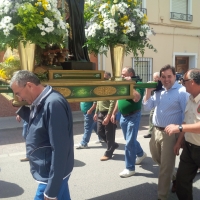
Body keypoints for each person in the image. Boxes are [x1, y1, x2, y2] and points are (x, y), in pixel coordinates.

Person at [10, 70, 74, 200]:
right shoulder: (41, 100)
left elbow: (60, 149)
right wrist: (23, 111)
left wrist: (51, 189)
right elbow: (41, 125)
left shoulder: (53, 103)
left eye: (18, 93)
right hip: (51, 172)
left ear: (29, 85)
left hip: (50, 176)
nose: (19, 98)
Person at [142, 65, 189, 200]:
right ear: (160, 78)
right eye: (164, 77)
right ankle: (175, 177)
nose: (166, 79)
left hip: (170, 135)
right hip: (156, 131)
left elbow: (187, 117)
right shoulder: (159, 91)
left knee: (164, 170)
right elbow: (147, 107)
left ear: (175, 76)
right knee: (158, 159)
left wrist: (180, 138)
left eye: (169, 76)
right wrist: (148, 91)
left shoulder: (181, 92)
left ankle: (162, 197)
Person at [165, 69, 200, 200]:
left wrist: (179, 128)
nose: (182, 83)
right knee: (181, 183)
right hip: (189, 148)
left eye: (183, 81)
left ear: (192, 82)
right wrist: (179, 141)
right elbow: (186, 121)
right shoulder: (190, 98)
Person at [111, 67, 147, 178]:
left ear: (130, 74)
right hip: (123, 116)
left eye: (123, 74)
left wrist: (130, 85)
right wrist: (114, 113)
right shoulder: (122, 84)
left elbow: (137, 98)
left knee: (129, 143)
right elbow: (118, 99)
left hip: (133, 116)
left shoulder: (138, 83)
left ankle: (130, 168)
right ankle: (141, 154)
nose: (121, 76)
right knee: (129, 140)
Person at [93, 71, 118, 161]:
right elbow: (98, 101)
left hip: (108, 113)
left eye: (105, 78)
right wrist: (96, 112)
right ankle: (113, 145)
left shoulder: (109, 89)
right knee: (100, 132)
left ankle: (108, 153)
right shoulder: (100, 89)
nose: (103, 80)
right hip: (100, 113)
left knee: (109, 134)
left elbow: (113, 102)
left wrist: (109, 115)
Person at [144, 72, 161, 138]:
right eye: (154, 78)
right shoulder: (155, 84)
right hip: (154, 103)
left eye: (155, 78)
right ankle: (150, 132)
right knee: (151, 117)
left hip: (159, 105)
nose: (154, 79)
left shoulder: (161, 84)